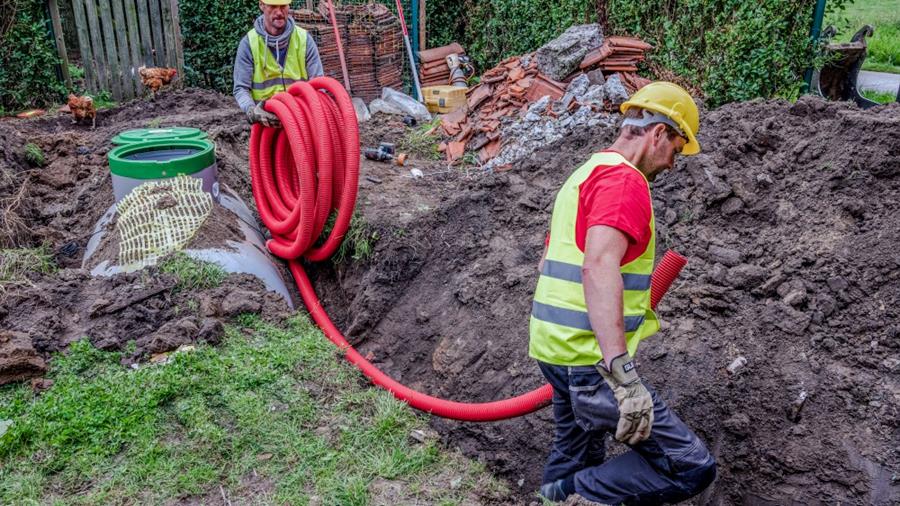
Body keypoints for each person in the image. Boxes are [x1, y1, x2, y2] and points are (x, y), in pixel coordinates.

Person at [530, 82, 717, 504]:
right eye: (676, 149)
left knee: (576, 449)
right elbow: (598, 266)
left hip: (555, 350)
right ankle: (570, 495)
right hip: (589, 361)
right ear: (658, 135)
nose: (672, 164)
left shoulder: (585, 173)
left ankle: (557, 495)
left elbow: (547, 263)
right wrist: (622, 374)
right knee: (690, 465)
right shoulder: (624, 182)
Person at [233, 0, 325, 128]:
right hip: (266, 125)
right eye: (273, 6)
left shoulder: (304, 40)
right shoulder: (249, 44)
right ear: (262, 5)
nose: (279, 12)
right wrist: (251, 110)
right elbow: (241, 88)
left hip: (302, 122)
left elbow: (319, 85)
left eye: (283, 6)